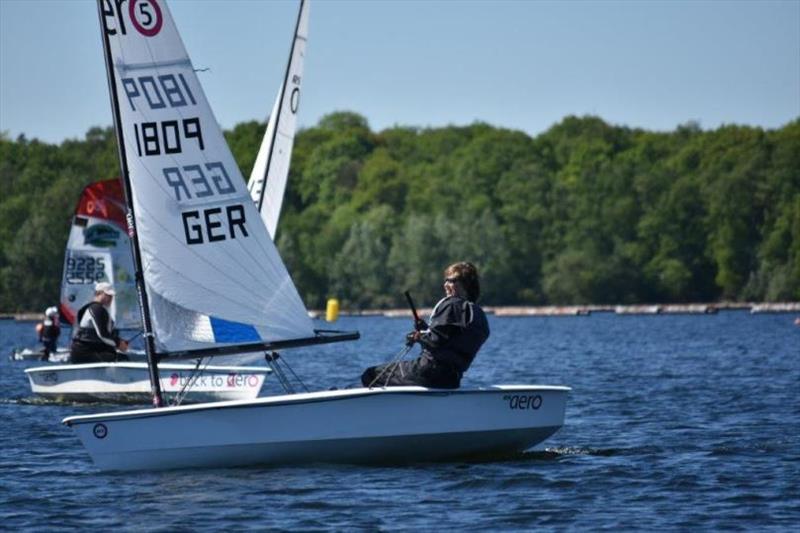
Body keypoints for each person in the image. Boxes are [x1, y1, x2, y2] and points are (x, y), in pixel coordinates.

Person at [361, 261, 490, 389]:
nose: (445, 284)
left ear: (465, 284)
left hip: (427, 373)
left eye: (451, 280)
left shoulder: (452, 304)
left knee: (370, 375)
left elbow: (436, 342)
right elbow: (450, 341)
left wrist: (418, 337)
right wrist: (425, 330)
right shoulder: (478, 315)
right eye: (445, 280)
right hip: (451, 380)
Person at [70, 282, 129, 364]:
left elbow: (105, 335)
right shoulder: (96, 308)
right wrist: (119, 344)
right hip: (84, 353)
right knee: (122, 359)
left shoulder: (98, 309)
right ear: (99, 293)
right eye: (108, 295)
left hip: (89, 351)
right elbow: (103, 335)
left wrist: (119, 341)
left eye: (111, 296)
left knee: (117, 355)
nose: (111, 298)